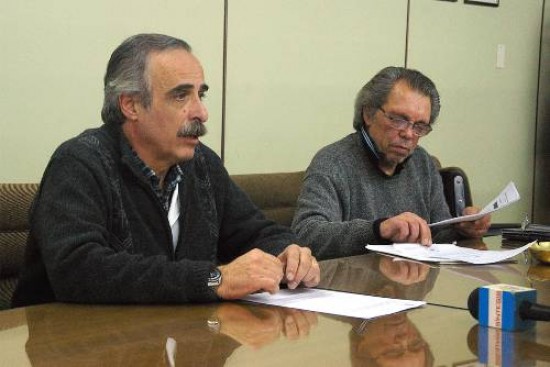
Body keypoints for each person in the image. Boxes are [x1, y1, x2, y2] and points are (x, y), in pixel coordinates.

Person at [12, 33, 319, 307]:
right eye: (180, 95)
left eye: (201, 94)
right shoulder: (80, 162)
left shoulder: (202, 165)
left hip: (175, 338)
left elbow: (255, 232)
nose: (201, 112)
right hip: (78, 342)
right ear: (131, 105)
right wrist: (213, 279)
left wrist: (289, 253)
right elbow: (79, 270)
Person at [292, 66, 490, 260]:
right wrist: (379, 229)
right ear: (368, 114)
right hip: (354, 287)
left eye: (419, 126)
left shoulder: (423, 163)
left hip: (414, 284)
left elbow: (439, 236)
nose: (408, 134)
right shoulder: (332, 163)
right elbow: (306, 235)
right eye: (398, 119)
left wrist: (464, 230)